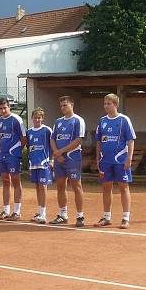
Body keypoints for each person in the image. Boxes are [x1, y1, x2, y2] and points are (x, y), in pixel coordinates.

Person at [94, 93, 136, 229]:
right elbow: (99, 141)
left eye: (109, 103)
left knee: (124, 187)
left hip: (121, 160)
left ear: (116, 105)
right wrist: (97, 158)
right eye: (105, 103)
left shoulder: (124, 120)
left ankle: (125, 218)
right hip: (106, 161)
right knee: (106, 187)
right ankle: (106, 217)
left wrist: (129, 158)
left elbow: (130, 140)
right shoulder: (102, 121)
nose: (106, 106)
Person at [50, 95, 86, 227]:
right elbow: (52, 139)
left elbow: (78, 140)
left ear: (72, 105)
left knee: (76, 186)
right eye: (61, 106)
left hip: (72, 158)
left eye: (65, 105)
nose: (63, 108)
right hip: (59, 158)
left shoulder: (78, 121)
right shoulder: (58, 122)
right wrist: (56, 153)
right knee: (60, 186)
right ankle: (62, 215)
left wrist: (61, 151)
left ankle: (80, 216)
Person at [0, 97, 27, 220]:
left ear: (9, 107)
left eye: (5, 108)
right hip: (2, 155)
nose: (3, 110)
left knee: (16, 181)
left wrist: (16, 151)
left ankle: (17, 212)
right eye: (0, 108)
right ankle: (6, 210)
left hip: (13, 156)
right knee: (5, 181)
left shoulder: (17, 119)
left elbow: (24, 138)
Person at [27, 108, 53, 224]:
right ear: (32, 118)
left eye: (39, 117)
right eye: (35, 117)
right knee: (37, 187)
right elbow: (29, 148)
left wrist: (52, 160)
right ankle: (39, 211)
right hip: (33, 164)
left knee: (43, 187)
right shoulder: (29, 132)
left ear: (42, 119)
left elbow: (52, 146)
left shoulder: (47, 130)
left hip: (44, 163)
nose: (37, 119)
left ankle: (43, 214)